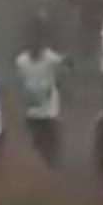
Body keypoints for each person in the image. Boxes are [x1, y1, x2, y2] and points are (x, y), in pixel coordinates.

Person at [15, 32, 65, 167]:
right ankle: (42, 167)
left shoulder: (50, 57)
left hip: (50, 108)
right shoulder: (21, 61)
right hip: (32, 109)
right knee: (36, 142)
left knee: (52, 140)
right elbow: (19, 84)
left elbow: (65, 64)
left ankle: (53, 165)